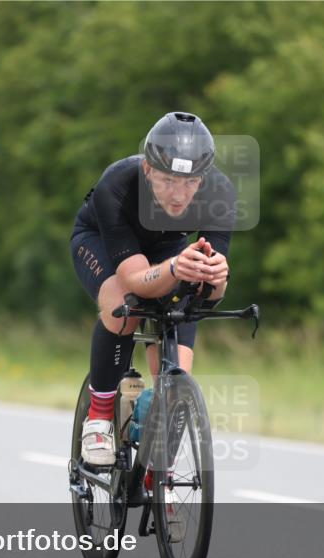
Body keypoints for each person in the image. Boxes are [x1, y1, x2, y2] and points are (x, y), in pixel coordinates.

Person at [70, 112, 234, 465]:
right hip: (101, 242)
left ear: (203, 179)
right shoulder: (118, 184)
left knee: (176, 383)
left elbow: (209, 296)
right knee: (125, 305)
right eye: (168, 180)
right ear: (148, 169)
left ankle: (157, 471)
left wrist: (217, 278)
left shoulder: (219, 192)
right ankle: (99, 415)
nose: (179, 194)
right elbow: (135, 280)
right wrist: (175, 268)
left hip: (165, 248)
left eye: (190, 182)